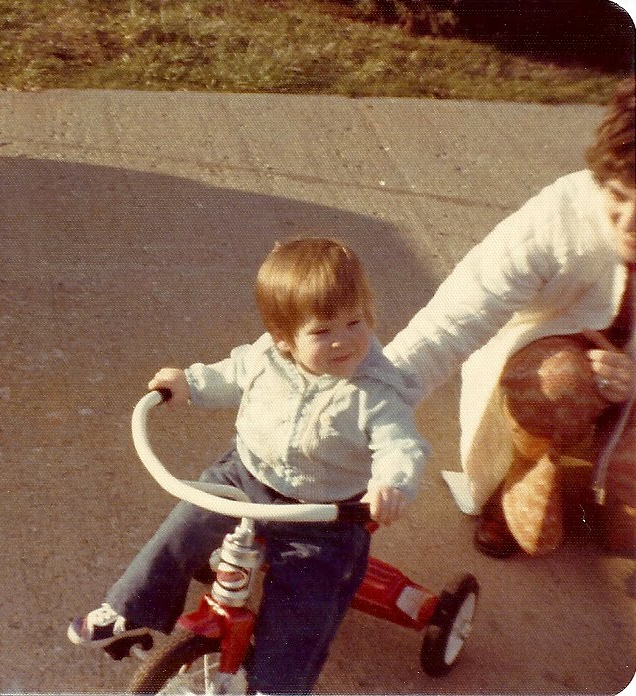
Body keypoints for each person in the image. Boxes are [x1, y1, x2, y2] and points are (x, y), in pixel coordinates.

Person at [68, 237, 429, 694]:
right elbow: (229, 374)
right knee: (184, 526)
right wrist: (189, 383)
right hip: (245, 476)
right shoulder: (266, 358)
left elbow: (401, 445)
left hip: (323, 514)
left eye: (355, 322)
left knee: (304, 611)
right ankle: (133, 610)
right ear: (284, 340)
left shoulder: (377, 392)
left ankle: (276, 686)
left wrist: (391, 483)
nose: (343, 340)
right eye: (322, 331)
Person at [384, 77, 635, 559]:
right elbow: (455, 319)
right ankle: (524, 464)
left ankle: (600, 470)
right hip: (553, 378)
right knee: (558, 383)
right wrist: (371, 395)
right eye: (618, 196)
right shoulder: (559, 216)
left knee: (625, 538)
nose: (628, 225)